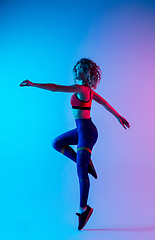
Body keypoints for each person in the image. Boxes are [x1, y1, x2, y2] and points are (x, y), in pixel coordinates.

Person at [20, 58, 130, 230]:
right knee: (57, 143)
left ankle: (83, 209)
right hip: (80, 131)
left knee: (80, 172)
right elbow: (105, 103)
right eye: (76, 66)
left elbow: (56, 88)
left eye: (81, 67)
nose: (76, 68)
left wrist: (34, 84)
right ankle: (85, 162)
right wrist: (118, 116)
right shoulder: (88, 90)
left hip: (87, 133)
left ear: (86, 72)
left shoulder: (81, 89)